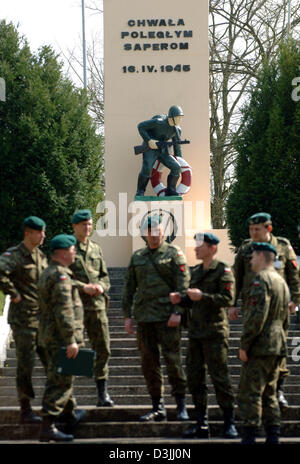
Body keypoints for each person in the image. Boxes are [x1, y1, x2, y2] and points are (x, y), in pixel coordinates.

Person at [122, 214, 190, 422]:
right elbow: (129, 288)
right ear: (145, 233)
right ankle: (157, 407)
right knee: (149, 364)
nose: (154, 235)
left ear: (163, 231)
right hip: (144, 318)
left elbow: (183, 285)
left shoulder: (174, 253)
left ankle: (181, 406)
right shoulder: (137, 257)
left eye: (157, 231)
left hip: (167, 317)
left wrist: (178, 312)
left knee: (173, 361)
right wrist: (127, 316)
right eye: (150, 231)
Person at [170, 233, 238, 439]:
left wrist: (203, 296)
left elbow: (227, 298)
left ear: (212, 248)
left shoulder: (223, 270)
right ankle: (201, 423)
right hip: (196, 333)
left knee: (220, 378)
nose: (196, 249)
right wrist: (181, 299)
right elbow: (192, 301)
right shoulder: (196, 271)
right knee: (195, 378)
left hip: (215, 333)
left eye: (200, 246)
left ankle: (229, 423)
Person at [229, 212, 300, 409]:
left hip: (279, 308)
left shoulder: (283, 247)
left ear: (268, 229)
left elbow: (294, 275)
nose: (253, 233)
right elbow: (237, 276)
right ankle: (254, 390)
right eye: (251, 230)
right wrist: (232, 303)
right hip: (253, 306)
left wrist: (296, 299)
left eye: (257, 230)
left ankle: (278, 390)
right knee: (252, 344)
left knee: (280, 347)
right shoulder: (246, 249)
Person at [237, 242, 290, 444]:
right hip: (277, 344)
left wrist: (245, 344)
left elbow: (256, 317)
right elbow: (286, 318)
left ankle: (249, 436)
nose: (250, 261)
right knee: (270, 393)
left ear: (260, 256)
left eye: (252, 257)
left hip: (261, 345)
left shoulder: (261, 280)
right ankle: (273, 436)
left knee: (250, 392)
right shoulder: (281, 282)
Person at [38, 234, 86, 442]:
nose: (75, 252)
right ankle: (48, 425)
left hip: (49, 336)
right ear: (64, 253)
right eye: (73, 249)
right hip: (61, 338)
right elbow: (64, 310)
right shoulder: (61, 277)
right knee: (61, 382)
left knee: (63, 377)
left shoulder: (48, 272)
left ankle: (70, 414)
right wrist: (70, 340)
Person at [0, 216, 48, 424]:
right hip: (23, 322)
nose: (43, 235)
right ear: (29, 233)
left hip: (43, 321)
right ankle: (26, 408)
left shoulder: (41, 257)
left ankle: (57, 406)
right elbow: (1, 272)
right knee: (26, 365)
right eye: (40, 232)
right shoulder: (14, 255)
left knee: (54, 364)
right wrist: (13, 293)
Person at [69, 209, 114, 407]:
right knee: (75, 350)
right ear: (74, 227)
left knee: (103, 348)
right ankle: (69, 397)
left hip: (97, 306)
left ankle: (102, 394)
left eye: (89, 224)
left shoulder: (96, 248)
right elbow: (60, 275)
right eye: (83, 224)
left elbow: (104, 275)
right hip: (74, 307)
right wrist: (83, 287)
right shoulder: (67, 248)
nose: (87, 227)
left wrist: (101, 287)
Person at [136, 105, 185, 196]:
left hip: (163, 150)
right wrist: (149, 140)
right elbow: (141, 126)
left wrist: (180, 159)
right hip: (150, 148)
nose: (180, 120)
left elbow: (177, 146)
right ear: (172, 117)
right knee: (147, 167)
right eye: (178, 117)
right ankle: (140, 191)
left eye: (181, 117)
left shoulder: (177, 130)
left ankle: (170, 190)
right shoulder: (159, 122)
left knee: (176, 167)